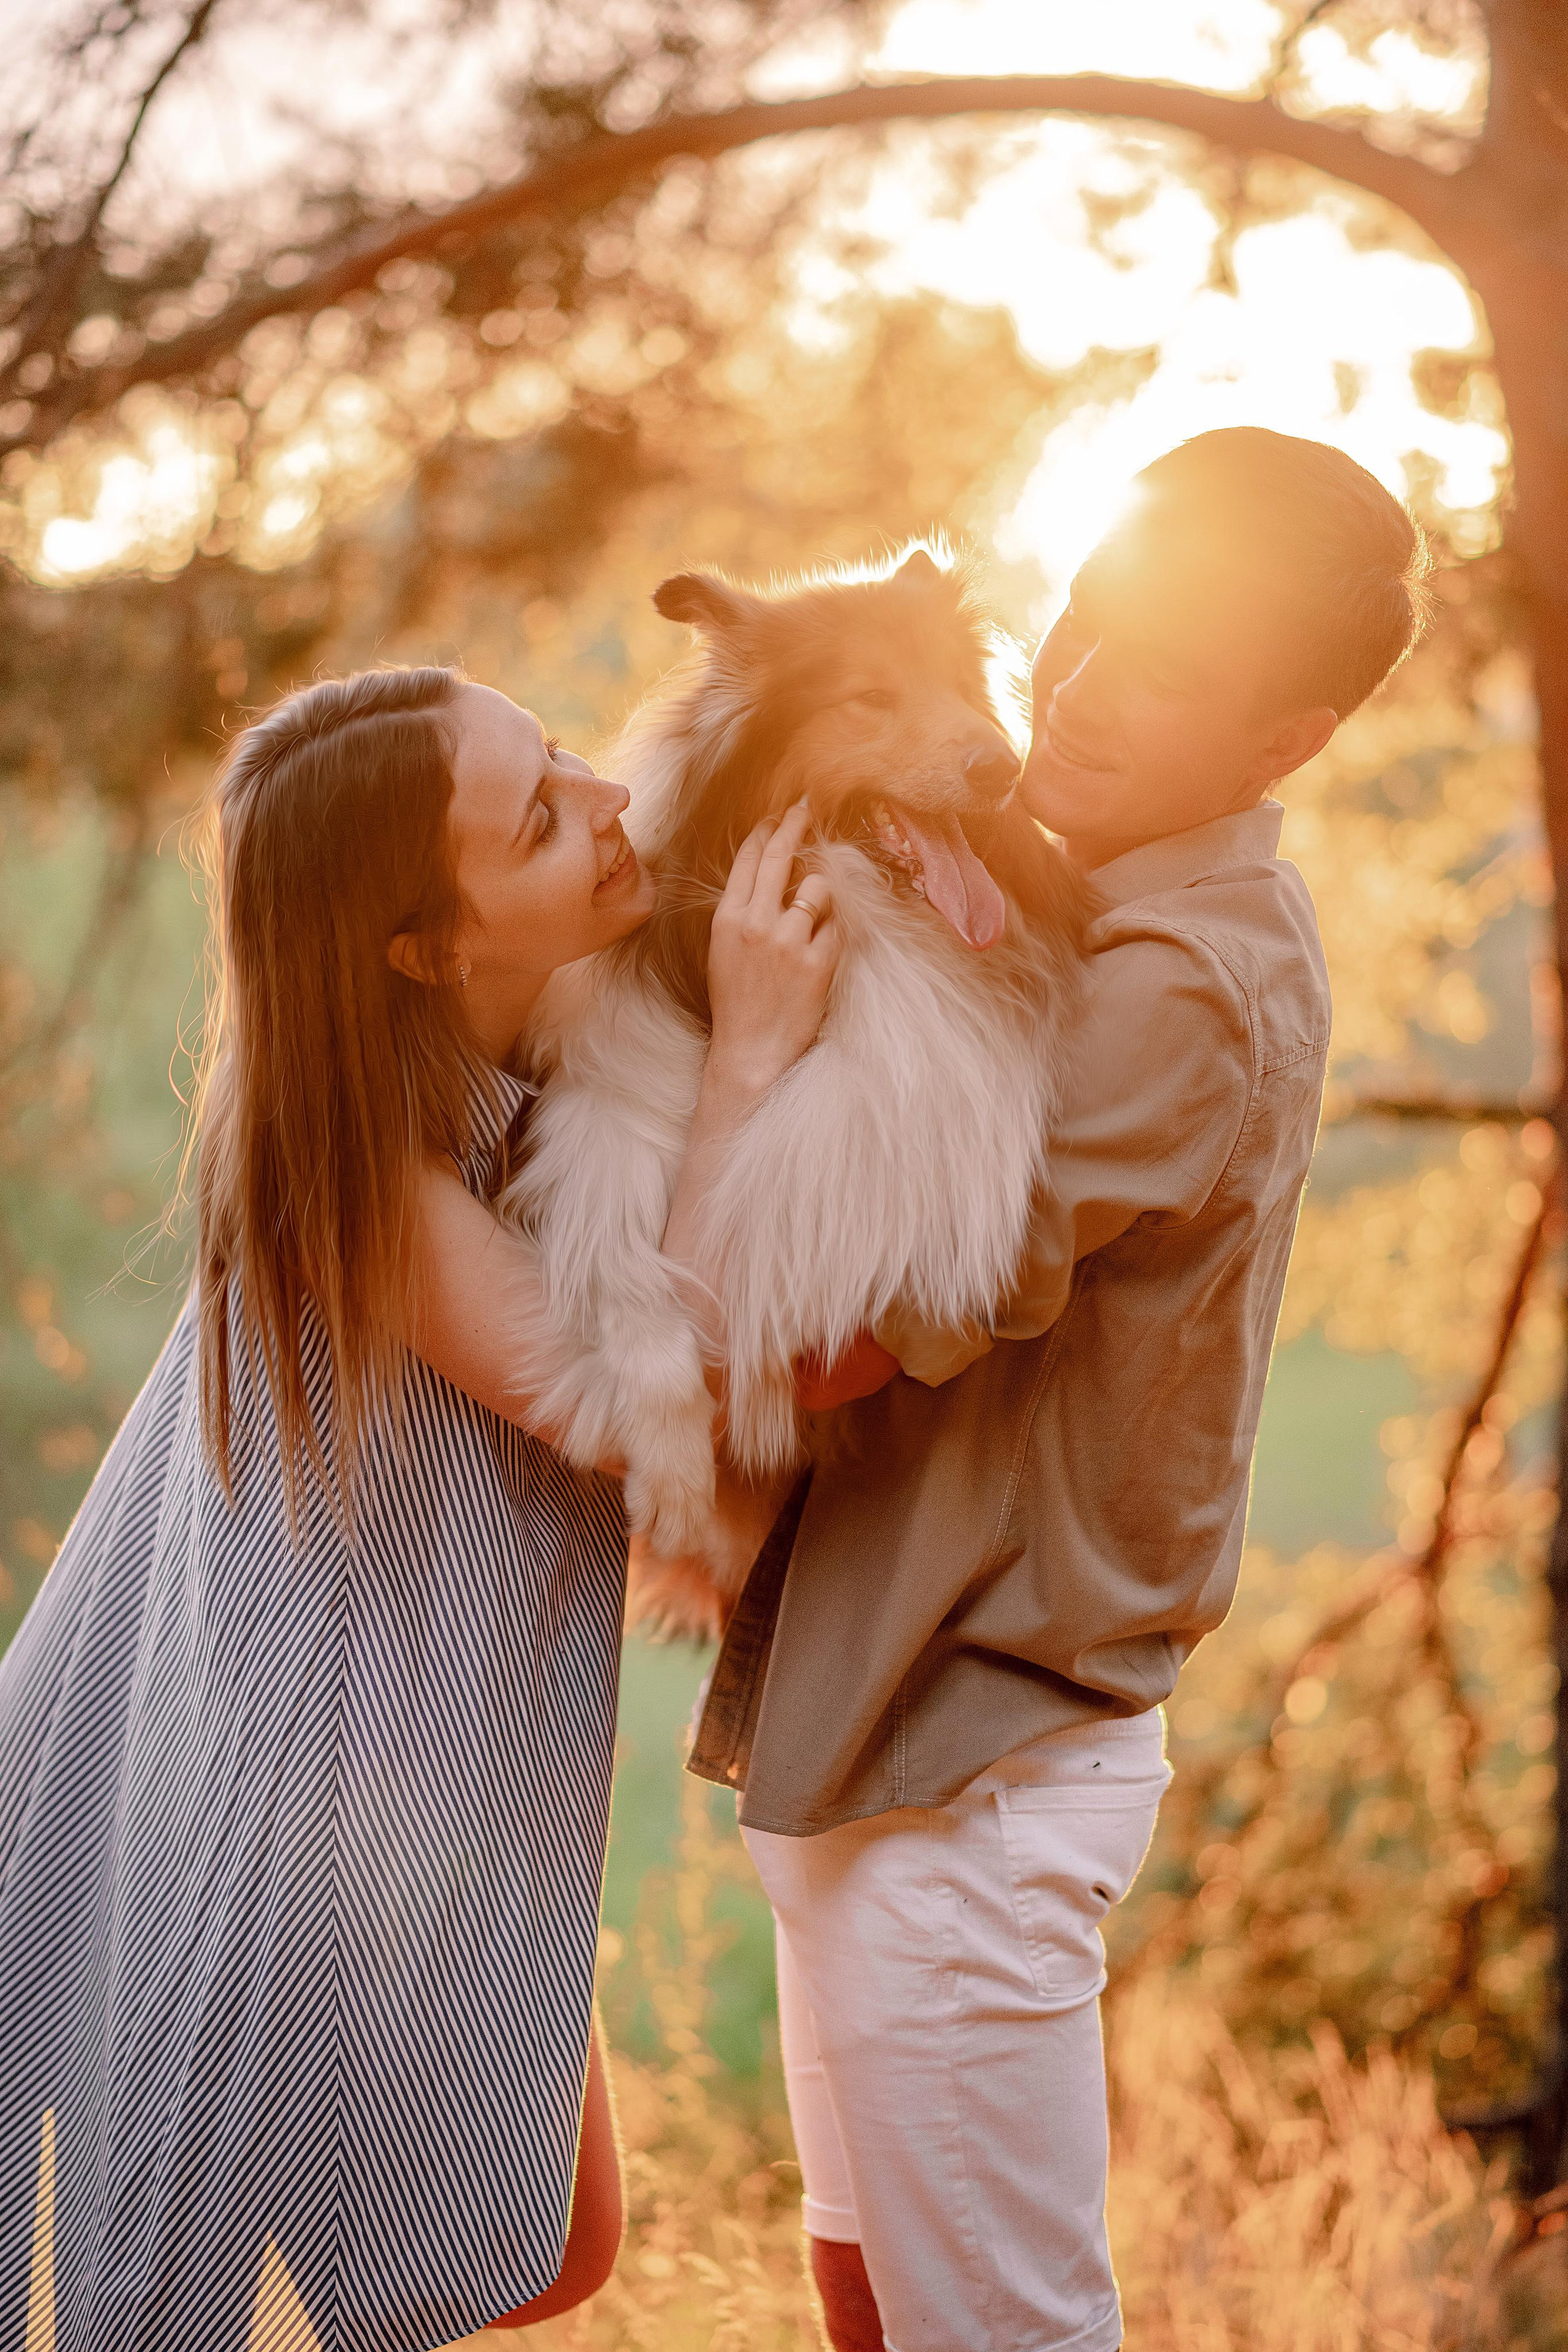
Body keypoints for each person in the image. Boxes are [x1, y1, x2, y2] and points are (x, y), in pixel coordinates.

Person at [689, 428, 1433, 2352]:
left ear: (1282, 741)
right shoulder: (1023, 895)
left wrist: (738, 1074)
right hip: (869, 1728)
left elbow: (830, 1329)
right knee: (866, 2296)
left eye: (1162, 675)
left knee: (998, 2336)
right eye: (1081, 625)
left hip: (978, 1769)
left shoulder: (1180, 980)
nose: (1080, 700)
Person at [0, 665, 839, 2351]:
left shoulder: (527, 1058)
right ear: (429, 949)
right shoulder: (353, 1175)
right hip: (303, 1796)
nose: (609, 804)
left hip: (428, 1758)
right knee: (376, 2264)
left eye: (564, 759)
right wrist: (752, 1053)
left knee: (536, 2242)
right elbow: (630, 1414)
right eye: (540, 820)